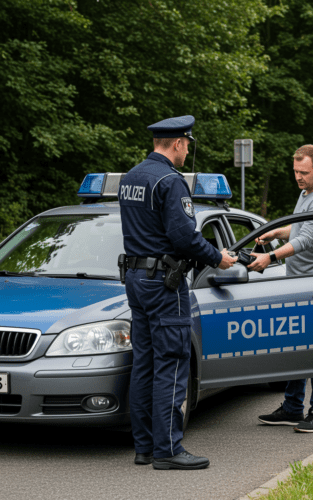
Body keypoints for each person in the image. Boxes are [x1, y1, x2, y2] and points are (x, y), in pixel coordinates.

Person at [119, 115, 237, 469]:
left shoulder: (130, 178)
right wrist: (219, 258)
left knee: (144, 362)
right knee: (171, 363)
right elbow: (184, 236)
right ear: (176, 144)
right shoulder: (170, 181)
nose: (187, 149)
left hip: (135, 280)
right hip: (163, 283)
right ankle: (168, 450)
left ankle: (144, 447)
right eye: (186, 143)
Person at [248, 144, 313, 433]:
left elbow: (306, 239)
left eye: (304, 173)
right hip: (299, 280)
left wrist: (270, 256)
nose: (298, 177)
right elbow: (299, 228)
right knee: (297, 347)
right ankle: (291, 408)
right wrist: (276, 231)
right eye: (296, 172)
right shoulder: (306, 194)